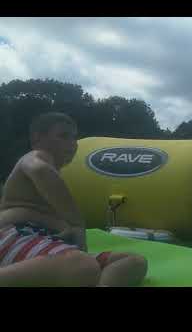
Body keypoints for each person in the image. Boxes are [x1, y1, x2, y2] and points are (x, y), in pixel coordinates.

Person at [0, 112, 148, 287]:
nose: (73, 143)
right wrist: (77, 224)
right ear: (37, 139)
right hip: (15, 234)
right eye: (63, 136)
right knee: (82, 265)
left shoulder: (53, 171)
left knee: (134, 261)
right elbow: (40, 170)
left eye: (74, 137)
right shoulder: (36, 156)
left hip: (43, 240)